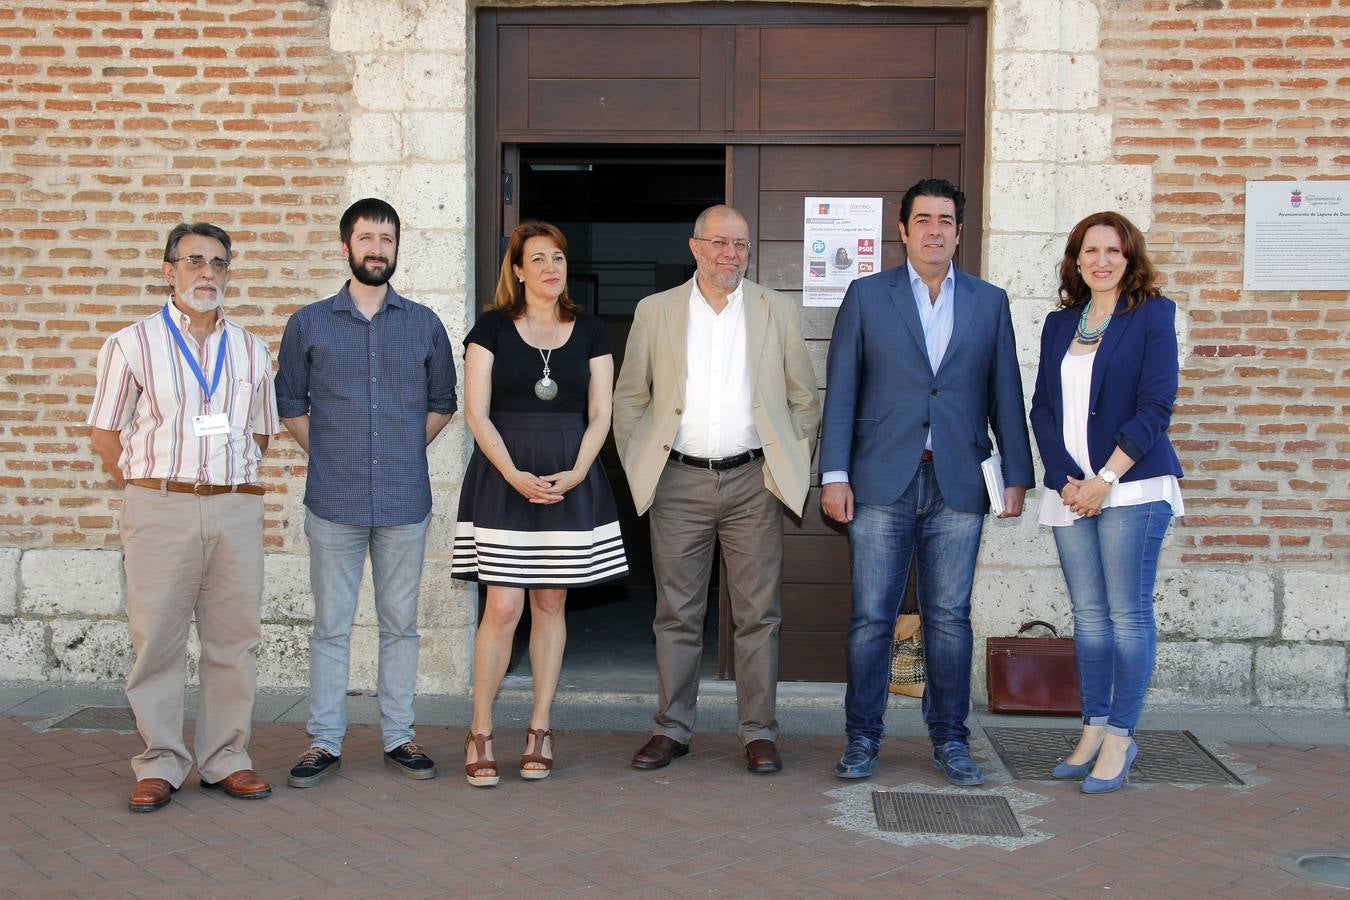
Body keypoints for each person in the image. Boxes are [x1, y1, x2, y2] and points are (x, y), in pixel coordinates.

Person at [820, 178, 1034, 785]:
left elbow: (1005, 394)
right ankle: (862, 738)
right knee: (871, 620)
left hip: (958, 484)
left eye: (945, 220)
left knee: (950, 619)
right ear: (903, 229)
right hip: (880, 482)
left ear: (959, 233)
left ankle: (951, 741)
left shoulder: (989, 303)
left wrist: (1016, 474)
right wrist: (834, 474)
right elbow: (842, 394)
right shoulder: (866, 297)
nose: (934, 229)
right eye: (923, 219)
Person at [613, 205, 820, 775]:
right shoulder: (656, 311)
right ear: (695, 246)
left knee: (758, 614)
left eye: (742, 245)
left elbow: (805, 399)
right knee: (676, 612)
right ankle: (671, 729)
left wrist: (787, 463)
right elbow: (630, 397)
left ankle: (758, 733)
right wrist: (640, 464)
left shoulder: (775, 309)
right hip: (677, 480)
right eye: (721, 243)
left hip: (754, 481)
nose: (732, 254)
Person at [88, 222, 279, 812]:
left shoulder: (251, 348)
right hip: (159, 505)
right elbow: (103, 435)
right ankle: (160, 762)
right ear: (169, 270)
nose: (208, 274)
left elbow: (263, 434)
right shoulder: (131, 344)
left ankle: (226, 759)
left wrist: (219, 485)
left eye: (219, 264)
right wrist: (151, 489)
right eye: (195, 261)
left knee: (234, 639)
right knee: (158, 640)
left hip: (234, 507)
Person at [274, 198, 457, 788]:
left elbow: (442, 405)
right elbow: (291, 407)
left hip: (405, 502)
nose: (377, 248)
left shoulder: (425, 324)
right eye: (366, 238)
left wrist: (400, 450)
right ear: (346, 245)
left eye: (387, 238)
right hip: (334, 502)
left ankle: (399, 736)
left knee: (400, 625)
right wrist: (331, 456)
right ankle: (324, 742)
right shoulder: (309, 324)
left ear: (398, 247)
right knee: (331, 625)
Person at [452, 221, 628, 787]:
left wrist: (578, 471)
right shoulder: (490, 330)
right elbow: (476, 412)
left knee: (550, 601)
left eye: (559, 256)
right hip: (504, 476)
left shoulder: (592, 330)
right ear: (518, 270)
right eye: (539, 258)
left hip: (569, 476)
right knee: (503, 607)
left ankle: (540, 727)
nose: (552, 267)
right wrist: (512, 474)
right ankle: (480, 729)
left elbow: (601, 411)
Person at [1029, 211, 1184, 794]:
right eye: (1090, 251)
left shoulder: (1151, 316)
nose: (1101, 261)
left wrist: (1105, 479)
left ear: (1129, 258)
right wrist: (1068, 479)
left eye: (1113, 251)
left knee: (1128, 615)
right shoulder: (1058, 323)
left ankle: (1122, 734)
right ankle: (1092, 728)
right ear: (1075, 259)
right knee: (1089, 617)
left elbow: (1156, 407)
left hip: (1134, 488)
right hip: (1070, 491)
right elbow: (1042, 408)